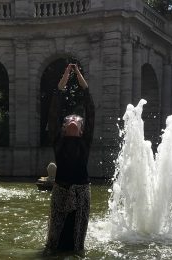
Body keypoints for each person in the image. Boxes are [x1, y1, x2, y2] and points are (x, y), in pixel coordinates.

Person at [44, 63, 95, 254]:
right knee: (54, 238)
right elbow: (54, 111)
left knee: (78, 241)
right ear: (64, 128)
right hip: (61, 189)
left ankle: (78, 251)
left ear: (82, 129)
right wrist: (65, 76)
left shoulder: (85, 141)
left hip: (82, 191)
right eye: (69, 120)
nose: (73, 120)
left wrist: (79, 75)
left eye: (77, 120)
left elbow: (90, 108)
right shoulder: (58, 141)